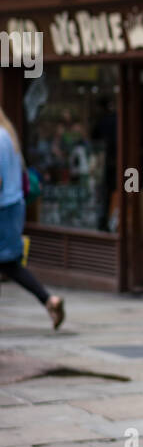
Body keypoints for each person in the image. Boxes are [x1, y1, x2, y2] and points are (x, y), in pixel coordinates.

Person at [0, 108, 64, 328]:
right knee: (9, 264)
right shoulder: (9, 137)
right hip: (14, 207)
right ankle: (49, 300)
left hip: (3, 209)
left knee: (9, 264)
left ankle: (48, 299)